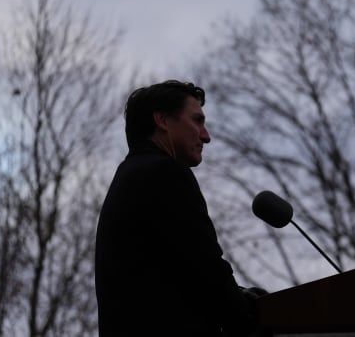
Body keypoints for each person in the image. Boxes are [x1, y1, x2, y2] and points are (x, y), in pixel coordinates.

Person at [95, 80, 265, 336]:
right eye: (197, 121)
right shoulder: (165, 173)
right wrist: (252, 321)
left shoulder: (129, 177)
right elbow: (207, 269)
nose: (206, 136)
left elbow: (175, 274)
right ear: (163, 120)